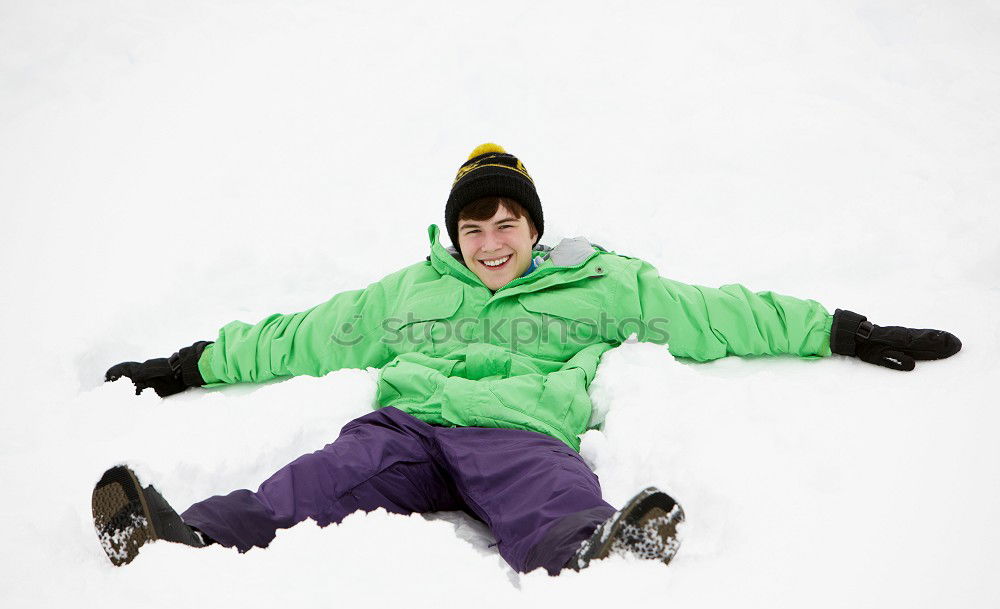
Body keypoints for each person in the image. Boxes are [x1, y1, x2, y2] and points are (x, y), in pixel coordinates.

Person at [95, 143, 962, 575]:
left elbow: (715, 313)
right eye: (474, 228)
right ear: (456, 234)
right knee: (316, 479)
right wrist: (191, 363)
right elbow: (302, 334)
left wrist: (845, 329)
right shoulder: (409, 292)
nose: (491, 242)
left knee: (548, 498)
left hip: (522, 431)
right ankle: (186, 535)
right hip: (410, 428)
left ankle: (599, 549)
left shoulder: (601, 282)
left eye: (506, 224)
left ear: (534, 226)